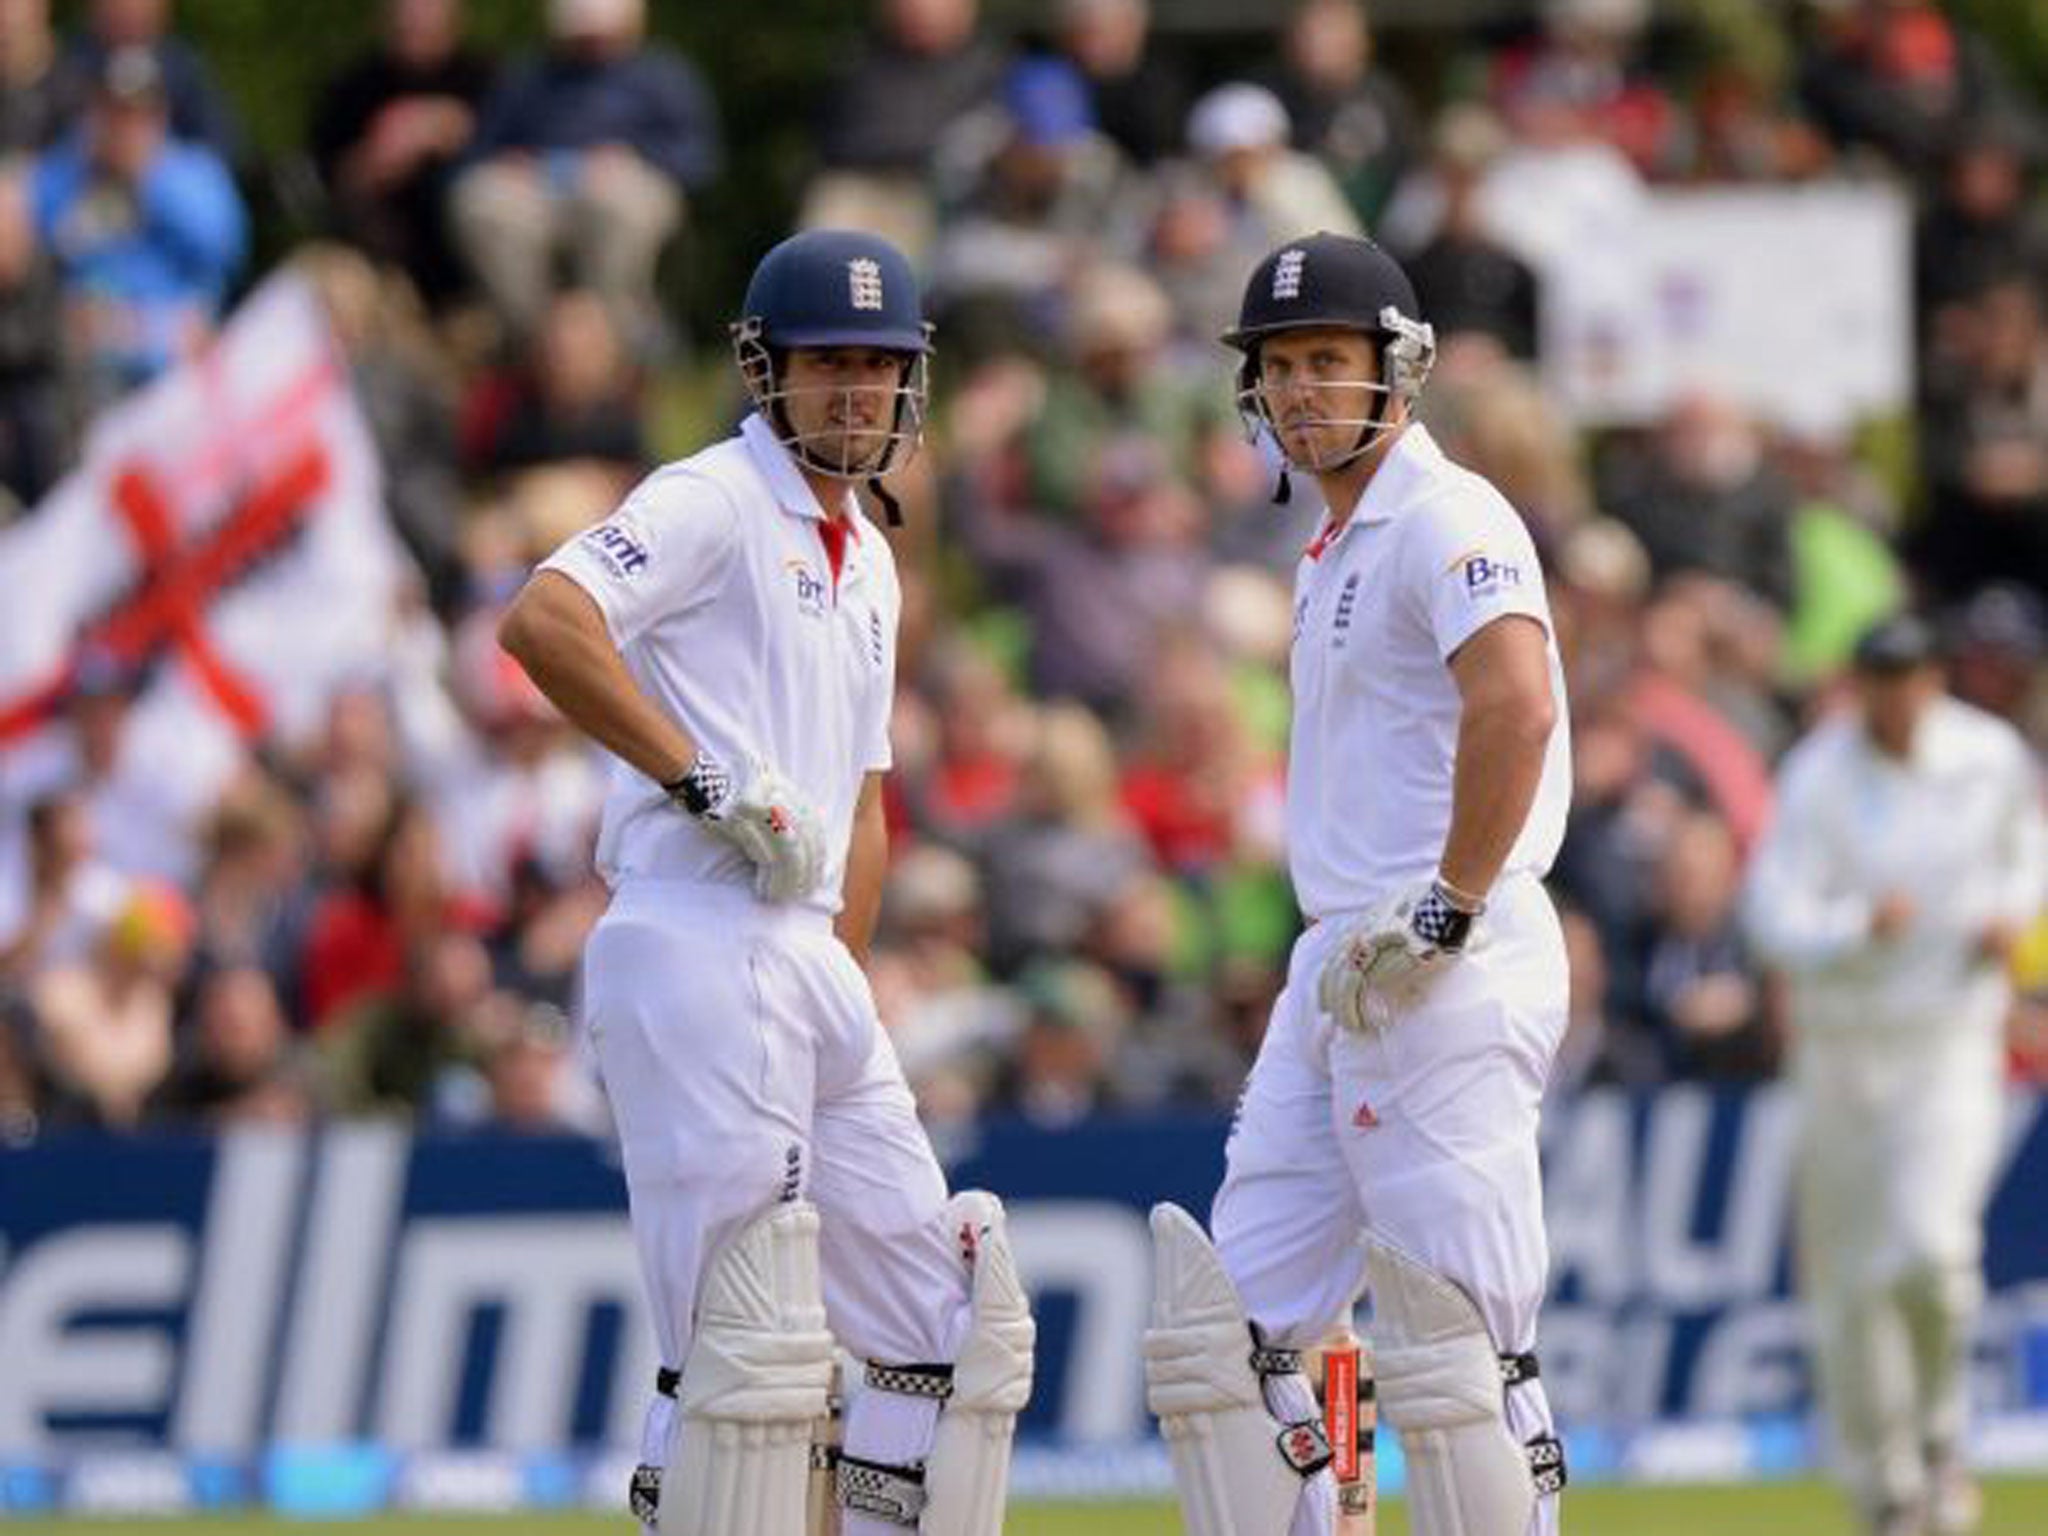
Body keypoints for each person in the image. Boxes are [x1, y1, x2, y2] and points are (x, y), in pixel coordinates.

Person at [498, 228, 1032, 1536]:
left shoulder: (876, 564)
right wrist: (709, 783)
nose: (856, 391)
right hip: (691, 937)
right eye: (828, 363)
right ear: (767, 371)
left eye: (880, 366)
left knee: (938, 1332)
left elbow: (863, 802)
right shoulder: (713, 499)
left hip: (806, 960)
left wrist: (838, 978)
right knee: (741, 1351)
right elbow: (544, 621)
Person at [1144, 232, 1573, 1536]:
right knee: (1231, 1335)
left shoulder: (1447, 514)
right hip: (1340, 961)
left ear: (1403, 369)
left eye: (1328, 361)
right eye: (1277, 369)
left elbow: (1520, 705)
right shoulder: (1328, 548)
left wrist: (1445, 904)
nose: (1299, 392)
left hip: (1449, 952)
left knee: (1459, 1351)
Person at [1743, 613, 2047, 1536]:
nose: (1898, 695)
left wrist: (2007, 916)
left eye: (1912, 677)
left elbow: (2027, 864)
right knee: (1849, 1287)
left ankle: (1945, 1438)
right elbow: (1772, 916)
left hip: (1949, 1040)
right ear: (1862, 685)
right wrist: (1853, 928)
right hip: (1839, 1050)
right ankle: (1888, 1491)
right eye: (1881, 678)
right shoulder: (1818, 774)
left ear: (1932, 681)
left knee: (1930, 1255)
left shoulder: (1987, 757)